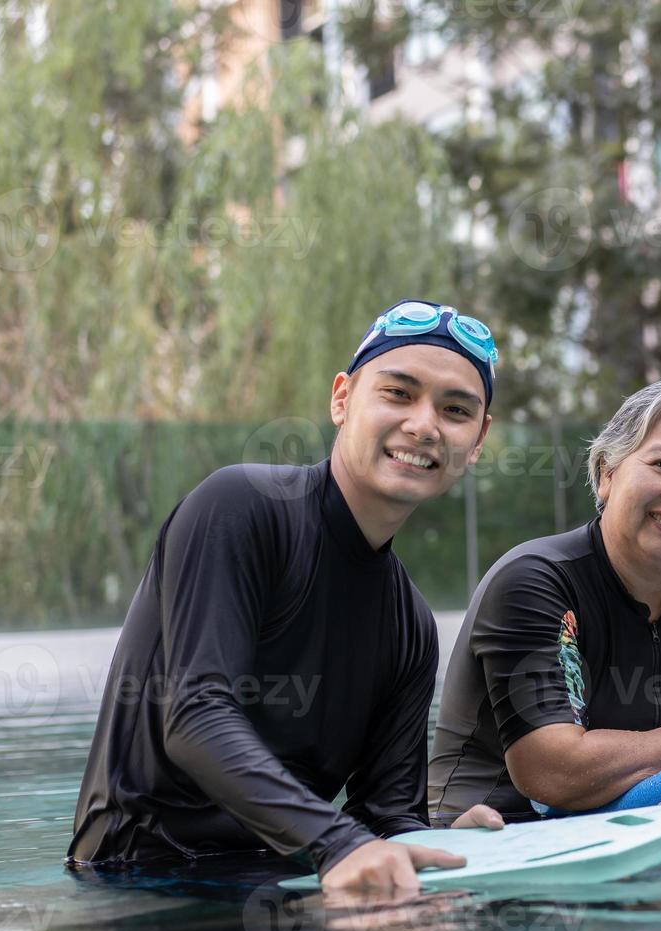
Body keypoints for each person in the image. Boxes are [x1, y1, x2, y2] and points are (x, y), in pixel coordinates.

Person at [68, 300, 506, 896]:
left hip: (282, 881)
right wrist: (337, 844)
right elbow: (195, 715)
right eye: (399, 394)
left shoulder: (410, 627)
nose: (425, 425)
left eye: (455, 410)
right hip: (139, 881)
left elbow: (384, 813)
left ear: (477, 440)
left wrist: (445, 838)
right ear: (342, 399)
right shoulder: (240, 508)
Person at [427, 378, 661, 826]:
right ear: (606, 473)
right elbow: (551, 771)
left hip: (644, 847)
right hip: (493, 844)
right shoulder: (535, 581)